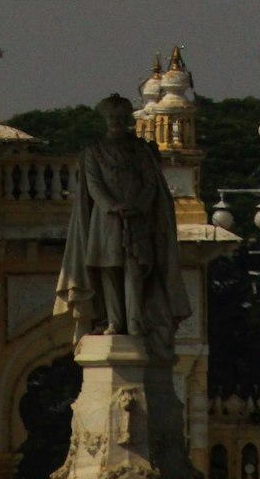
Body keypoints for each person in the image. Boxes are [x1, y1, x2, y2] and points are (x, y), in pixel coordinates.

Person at [55, 93, 191, 358]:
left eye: (120, 117)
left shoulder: (140, 151)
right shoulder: (93, 152)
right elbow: (94, 186)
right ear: (105, 119)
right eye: (111, 117)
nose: (116, 122)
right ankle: (115, 321)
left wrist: (137, 206)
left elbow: (151, 183)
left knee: (135, 271)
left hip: (137, 220)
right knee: (109, 272)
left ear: (127, 119)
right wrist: (113, 206)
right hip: (105, 222)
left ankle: (136, 322)